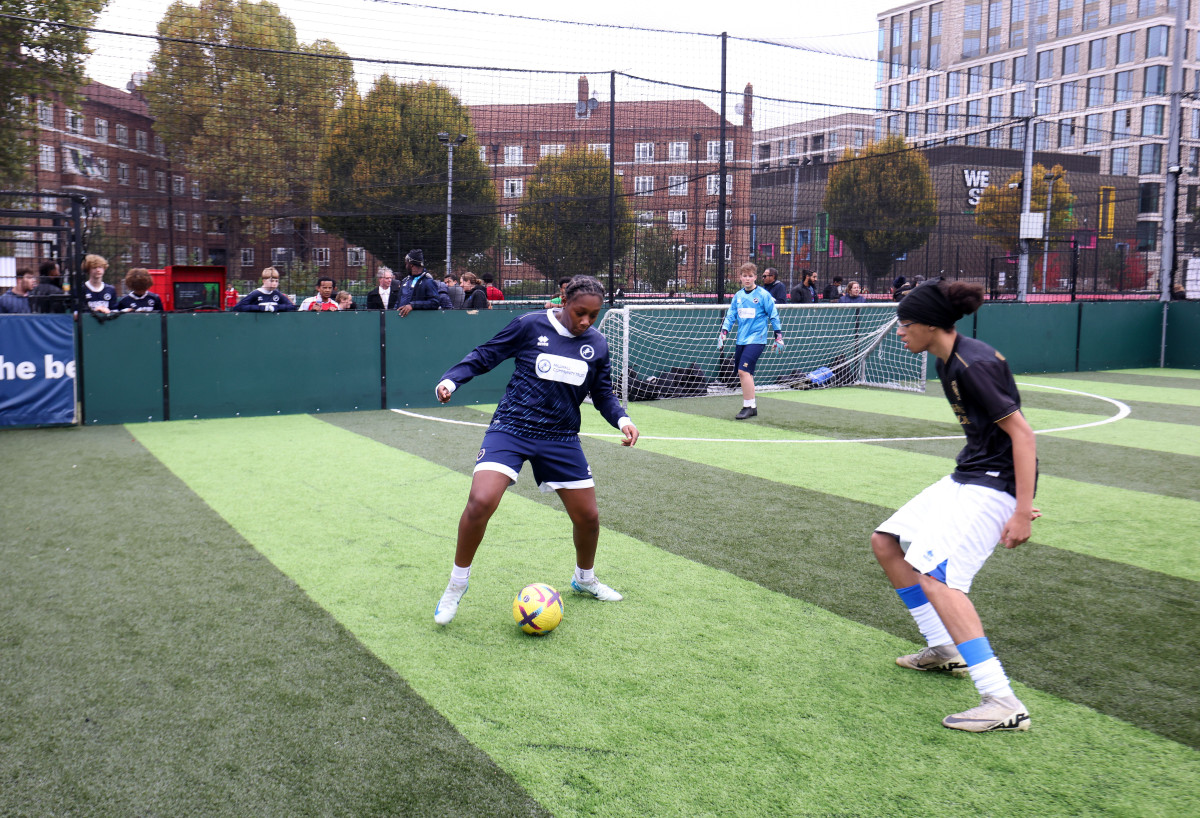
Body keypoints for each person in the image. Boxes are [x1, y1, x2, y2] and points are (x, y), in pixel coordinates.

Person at [872, 277, 1039, 733]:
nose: (900, 330)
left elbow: (1022, 435)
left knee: (939, 580)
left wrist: (1020, 507)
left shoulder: (971, 365)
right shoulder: (948, 361)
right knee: (886, 541)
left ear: (930, 324)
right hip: (970, 475)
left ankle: (1001, 700)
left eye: (905, 323)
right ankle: (944, 649)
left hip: (989, 483)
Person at [431, 274, 639, 625]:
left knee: (588, 517)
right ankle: (456, 585)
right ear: (564, 301)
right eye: (580, 312)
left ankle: (584, 579)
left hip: (561, 438)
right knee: (481, 500)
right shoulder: (530, 325)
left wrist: (622, 420)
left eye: (594, 314)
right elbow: (487, 353)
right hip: (511, 428)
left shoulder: (598, 344)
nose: (586, 321)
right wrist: (452, 379)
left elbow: (602, 394)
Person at [716, 262, 784, 420]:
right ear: (740, 277)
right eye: (744, 276)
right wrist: (724, 332)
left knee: (743, 371)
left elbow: (773, 315)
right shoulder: (738, 296)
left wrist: (778, 336)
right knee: (745, 374)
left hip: (757, 340)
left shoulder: (763, 295)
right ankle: (752, 406)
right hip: (741, 340)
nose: (747, 279)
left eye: (750, 276)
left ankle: (747, 406)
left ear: (755, 277)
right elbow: (731, 315)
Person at [397, 249, 451, 316]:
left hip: (419, 321)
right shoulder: (405, 281)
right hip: (400, 321)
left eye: (406, 263)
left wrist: (413, 305)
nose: (405, 266)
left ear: (411, 265)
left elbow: (434, 302)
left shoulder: (428, 281)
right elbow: (398, 301)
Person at [231, 267, 297, 312]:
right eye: (271, 281)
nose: (274, 283)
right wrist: (261, 308)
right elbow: (238, 307)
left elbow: (292, 306)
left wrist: (276, 307)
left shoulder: (277, 294)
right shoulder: (255, 294)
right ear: (264, 281)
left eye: (276, 281)